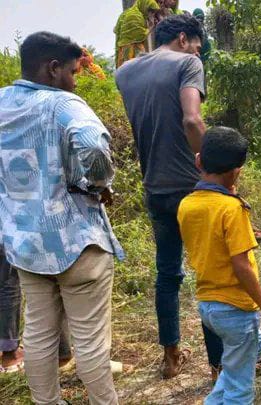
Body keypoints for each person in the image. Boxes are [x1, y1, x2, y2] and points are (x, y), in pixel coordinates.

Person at [0, 31, 124, 404]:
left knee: (38, 334)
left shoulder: (3, 102)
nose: (74, 80)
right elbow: (91, 144)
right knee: (89, 339)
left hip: (25, 242)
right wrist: (97, 183)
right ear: (53, 69)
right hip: (76, 240)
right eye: (72, 71)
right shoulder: (63, 104)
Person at [116, 14, 210, 379]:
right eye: (198, 45)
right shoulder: (188, 62)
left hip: (155, 187)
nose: (199, 52)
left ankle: (171, 357)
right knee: (211, 272)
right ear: (184, 39)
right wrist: (213, 171)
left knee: (167, 274)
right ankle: (220, 366)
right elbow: (192, 120)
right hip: (192, 185)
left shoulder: (125, 71)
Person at [177, 127, 261, 404]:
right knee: (240, 389)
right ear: (237, 171)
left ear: (199, 161)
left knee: (237, 363)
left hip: (208, 306)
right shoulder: (232, 209)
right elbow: (241, 265)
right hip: (236, 307)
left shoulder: (186, 204)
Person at [114, 0, 161, 68]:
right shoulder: (135, 15)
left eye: (153, 12)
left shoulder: (133, 14)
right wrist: (151, 27)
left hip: (127, 48)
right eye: (150, 11)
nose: (151, 14)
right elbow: (139, 35)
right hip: (130, 49)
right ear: (144, 6)